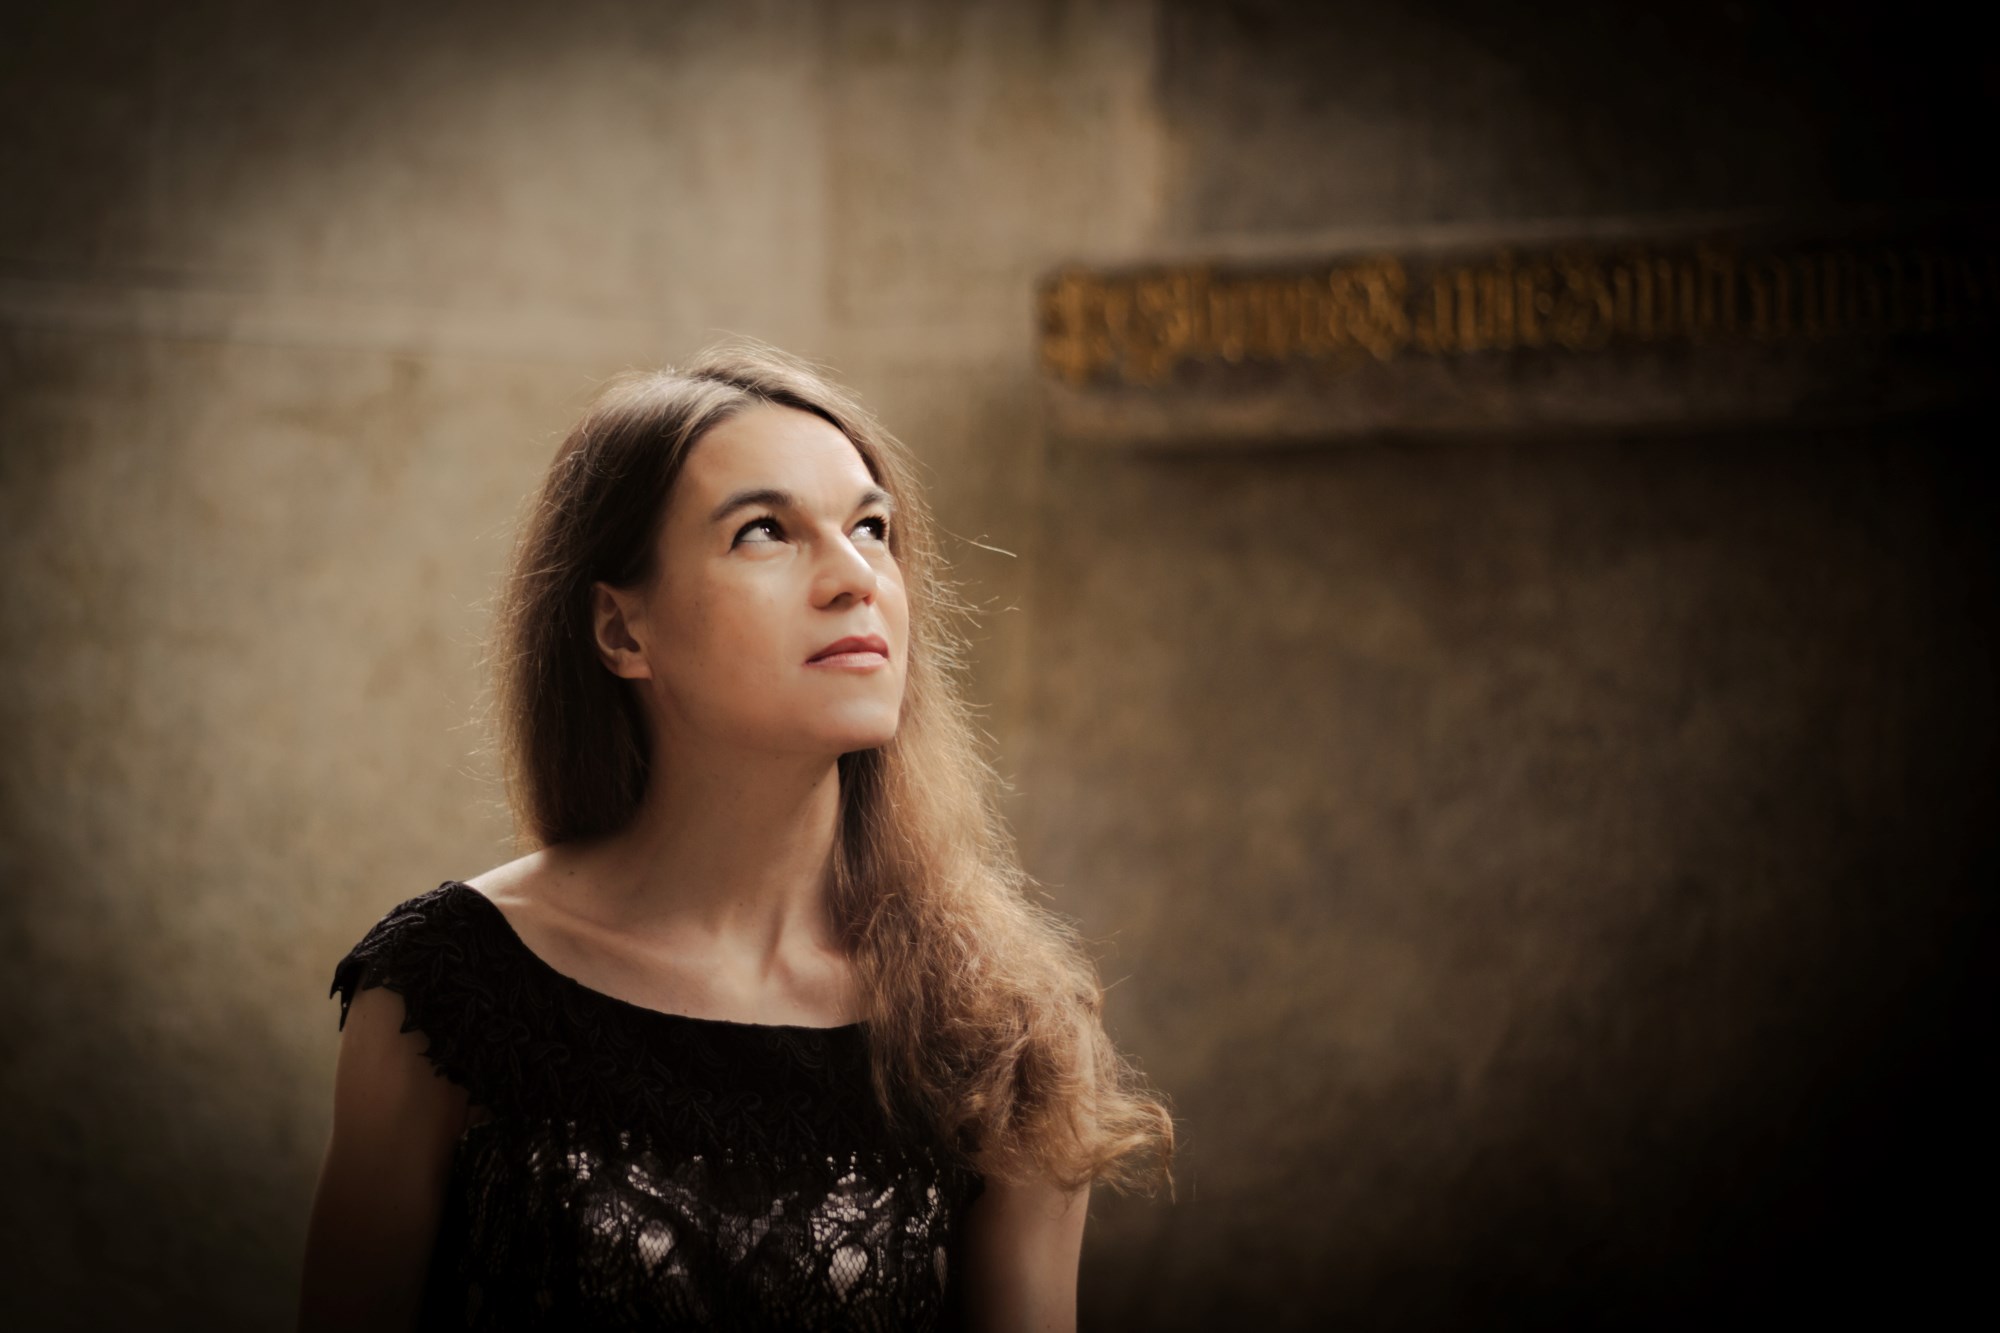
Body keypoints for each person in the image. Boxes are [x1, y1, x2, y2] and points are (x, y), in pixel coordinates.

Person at [298, 338, 1174, 1331]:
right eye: (764, 530)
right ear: (622, 632)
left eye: (872, 527)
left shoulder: (1003, 1022)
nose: (855, 577)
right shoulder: (445, 992)